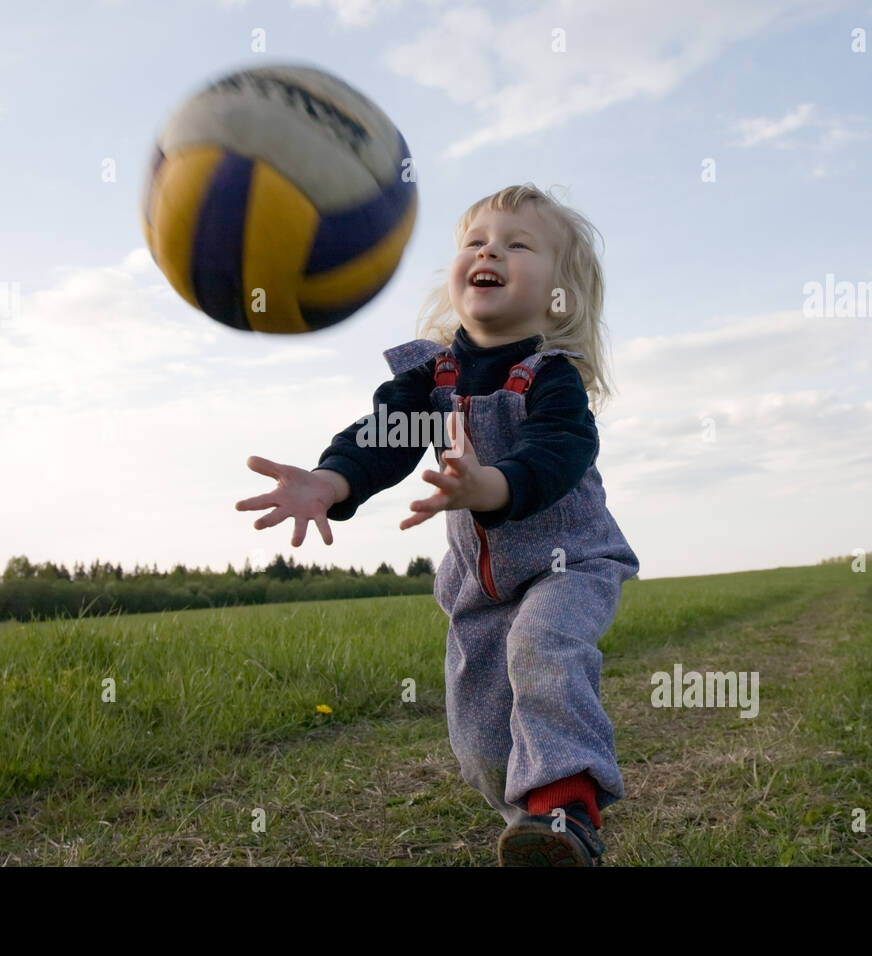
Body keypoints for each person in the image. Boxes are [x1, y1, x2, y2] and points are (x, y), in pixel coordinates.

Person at [236, 183, 639, 866]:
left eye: (517, 244)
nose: (489, 251)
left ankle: (569, 810)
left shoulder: (550, 378)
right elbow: (383, 438)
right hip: (478, 588)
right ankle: (539, 829)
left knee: (542, 646)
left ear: (558, 295)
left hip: (570, 563)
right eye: (476, 241)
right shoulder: (432, 378)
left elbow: (558, 454)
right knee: (482, 743)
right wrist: (331, 480)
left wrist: (490, 485)